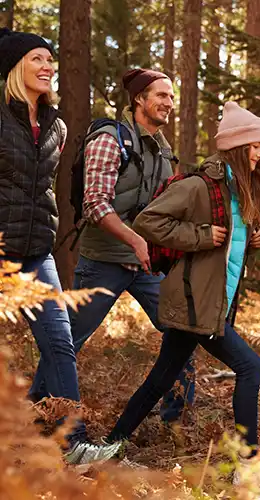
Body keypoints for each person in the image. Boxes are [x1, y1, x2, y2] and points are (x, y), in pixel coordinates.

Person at [29, 68, 195, 422]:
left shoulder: (165, 152)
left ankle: (176, 424)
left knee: (183, 331)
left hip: (148, 265)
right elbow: (95, 204)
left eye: (171, 96)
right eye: (161, 95)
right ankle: (36, 411)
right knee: (67, 343)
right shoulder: (109, 139)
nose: (169, 102)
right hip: (104, 259)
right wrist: (135, 239)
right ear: (139, 99)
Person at [107, 101, 260, 457]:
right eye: (256, 146)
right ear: (238, 148)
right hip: (196, 301)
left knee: (162, 378)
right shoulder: (200, 186)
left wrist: (255, 240)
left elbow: (230, 248)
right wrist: (198, 236)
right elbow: (148, 221)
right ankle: (251, 462)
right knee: (250, 366)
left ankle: (109, 444)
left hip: (211, 300)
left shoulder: (239, 190)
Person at [0, 27, 120, 464]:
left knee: (59, 341)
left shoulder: (57, 126)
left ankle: (76, 444)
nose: (48, 66)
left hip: (36, 252)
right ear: (15, 67)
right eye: (37, 58)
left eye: (50, 59)